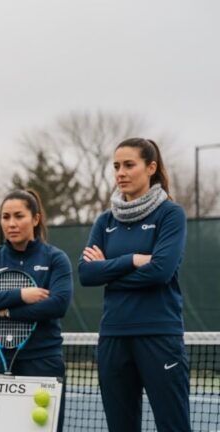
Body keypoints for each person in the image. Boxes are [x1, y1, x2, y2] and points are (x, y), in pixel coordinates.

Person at [78, 138, 189, 432]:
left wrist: (108, 271)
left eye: (129, 165)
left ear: (150, 168)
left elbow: (160, 272)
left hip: (159, 336)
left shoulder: (171, 214)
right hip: (113, 337)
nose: (121, 173)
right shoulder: (104, 222)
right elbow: (86, 274)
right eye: (116, 166)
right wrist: (132, 260)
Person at [0, 189, 72, 430]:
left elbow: (58, 305)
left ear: (35, 219)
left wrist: (5, 309)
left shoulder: (56, 258)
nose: (11, 223)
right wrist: (22, 295)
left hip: (44, 361)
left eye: (18, 216)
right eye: (5, 217)